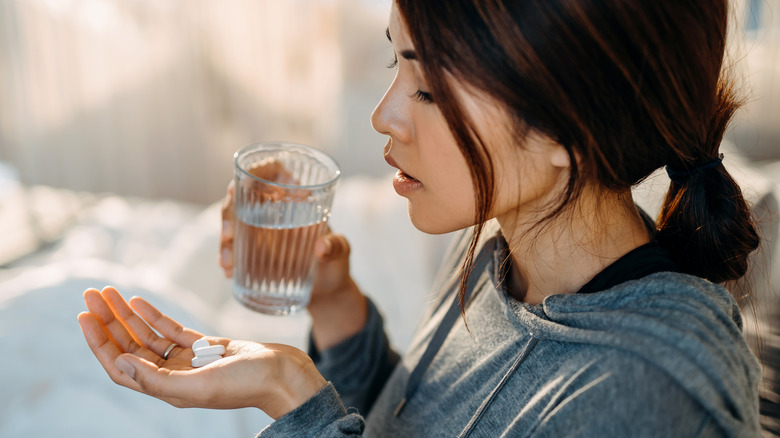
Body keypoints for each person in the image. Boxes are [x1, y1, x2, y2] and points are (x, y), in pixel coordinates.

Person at [78, 0, 764, 436]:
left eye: (428, 87)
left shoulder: (644, 397)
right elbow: (408, 422)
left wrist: (292, 395)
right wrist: (336, 305)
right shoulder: (500, 250)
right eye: (393, 60)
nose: (384, 115)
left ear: (569, 131)